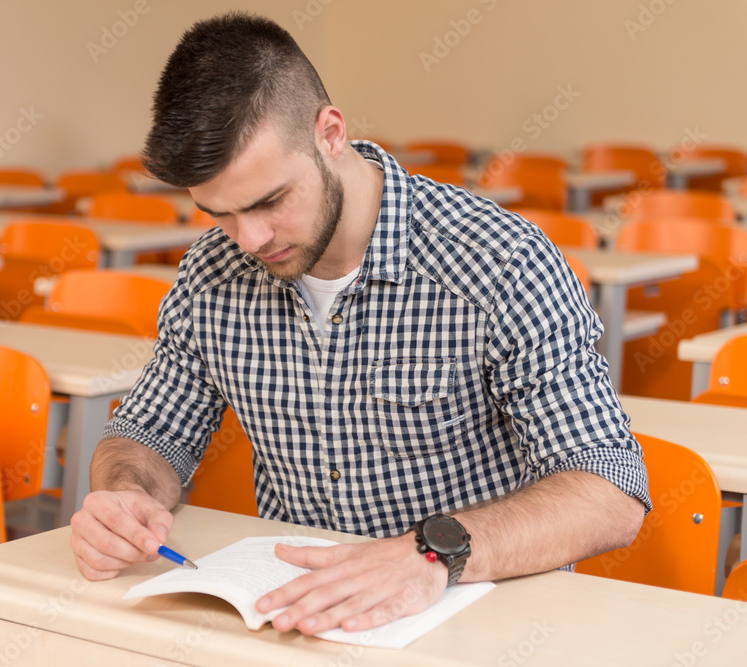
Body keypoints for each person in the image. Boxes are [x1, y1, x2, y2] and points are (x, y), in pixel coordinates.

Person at [70, 12, 648, 636]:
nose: (250, 239)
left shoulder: (498, 260)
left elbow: (609, 487)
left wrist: (432, 555)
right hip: (300, 623)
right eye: (220, 214)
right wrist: (126, 495)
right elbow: (150, 433)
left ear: (330, 133)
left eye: (269, 201)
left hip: (474, 617)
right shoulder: (211, 274)